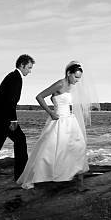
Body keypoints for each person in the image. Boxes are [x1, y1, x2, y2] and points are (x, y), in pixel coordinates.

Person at [17, 60, 99, 190]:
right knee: (50, 150)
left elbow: (60, 99)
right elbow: (39, 97)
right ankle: (37, 177)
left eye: (79, 78)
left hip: (71, 121)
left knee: (78, 147)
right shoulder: (60, 83)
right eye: (76, 77)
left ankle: (77, 178)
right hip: (59, 120)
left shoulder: (72, 86)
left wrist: (55, 100)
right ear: (68, 73)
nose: (77, 80)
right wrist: (50, 112)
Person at [0, 54, 34, 181]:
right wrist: (13, 120)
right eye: (29, 68)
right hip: (3, 117)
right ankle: (21, 175)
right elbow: (11, 101)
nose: (30, 71)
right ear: (22, 65)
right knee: (20, 140)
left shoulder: (12, 76)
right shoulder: (16, 78)